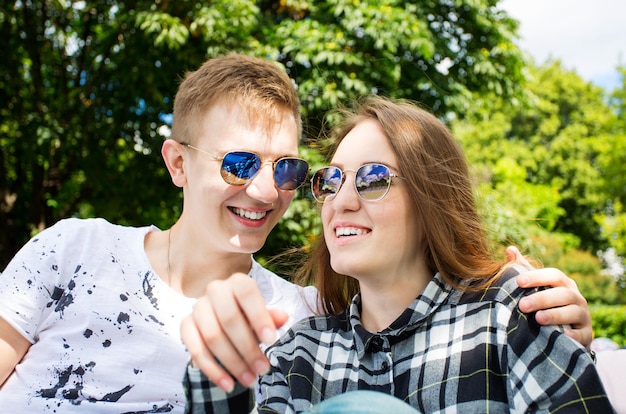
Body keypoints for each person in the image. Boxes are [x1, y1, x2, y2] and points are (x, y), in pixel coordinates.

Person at [0, 54, 592, 412]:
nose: (265, 191)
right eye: (238, 163)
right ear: (178, 163)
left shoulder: (296, 318)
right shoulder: (74, 249)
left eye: (287, 169)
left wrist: (561, 323)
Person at [185, 95, 613, 413]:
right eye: (330, 181)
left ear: (433, 200)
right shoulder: (299, 353)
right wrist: (217, 366)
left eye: (373, 179)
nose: (341, 201)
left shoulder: (509, 313)